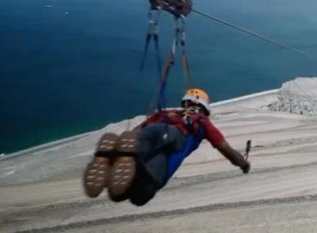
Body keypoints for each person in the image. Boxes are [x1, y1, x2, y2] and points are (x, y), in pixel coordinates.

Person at [82, 88, 250, 206]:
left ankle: (111, 156)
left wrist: (123, 145)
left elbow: (134, 134)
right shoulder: (202, 121)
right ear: (205, 107)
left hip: (150, 133)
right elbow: (225, 148)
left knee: (117, 193)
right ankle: (125, 163)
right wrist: (243, 163)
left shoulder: (164, 114)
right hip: (172, 139)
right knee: (140, 196)